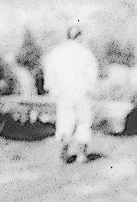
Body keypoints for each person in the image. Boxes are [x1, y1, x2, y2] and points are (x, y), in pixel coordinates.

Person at [41, 26, 98, 164]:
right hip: (81, 92)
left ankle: (64, 153)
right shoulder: (86, 53)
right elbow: (92, 75)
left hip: (63, 92)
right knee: (83, 121)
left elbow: (49, 73)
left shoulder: (56, 52)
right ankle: (81, 155)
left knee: (65, 121)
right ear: (79, 36)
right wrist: (89, 89)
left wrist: (52, 89)